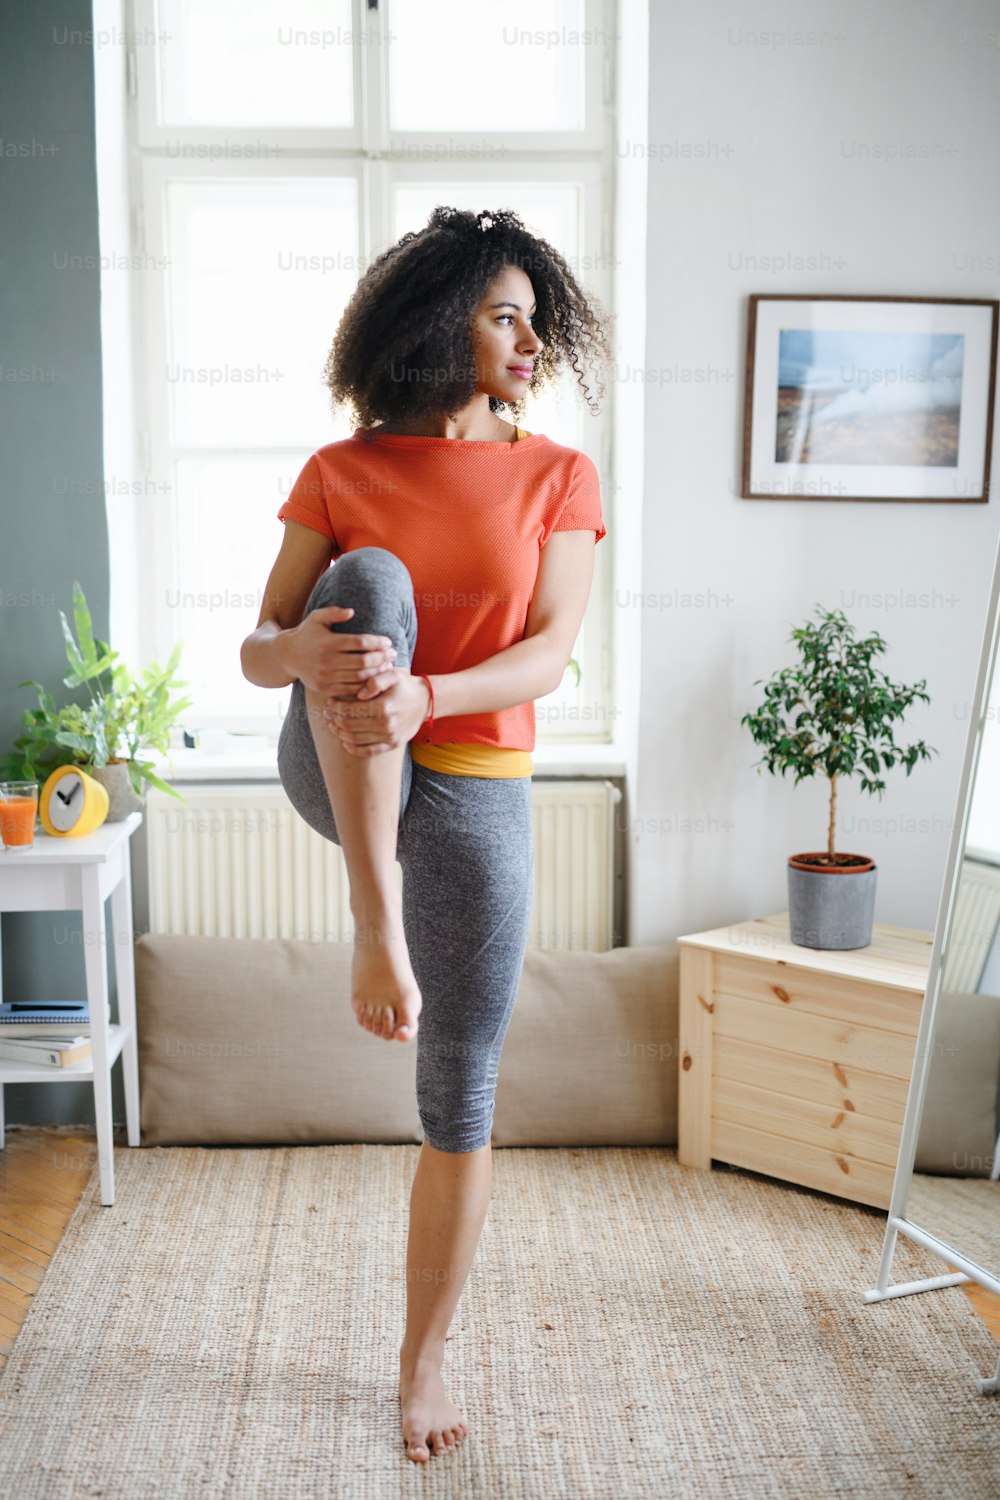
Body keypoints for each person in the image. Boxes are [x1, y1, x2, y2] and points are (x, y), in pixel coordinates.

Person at [240, 205, 610, 1464]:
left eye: (535, 318)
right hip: (338, 754)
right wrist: (304, 655)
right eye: (504, 313)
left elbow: (549, 654)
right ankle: (371, 925)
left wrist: (429, 696)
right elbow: (261, 645)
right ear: (436, 319)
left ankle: (423, 1361)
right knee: (376, 583)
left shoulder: (558, 474)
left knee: (460, 1086)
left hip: (471, 772)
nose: (528, 338)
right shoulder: (343, 468)